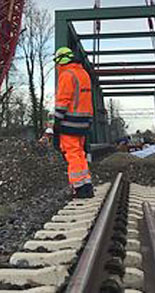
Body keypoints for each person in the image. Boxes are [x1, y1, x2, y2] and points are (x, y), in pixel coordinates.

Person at [53, 47, 94, 198]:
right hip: (83, 122)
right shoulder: (84, 74)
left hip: (69, 122)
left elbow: (63, 101)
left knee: (72, 154)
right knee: (80, 153)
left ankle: (79, 187)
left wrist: (57, 121)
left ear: (60, 61)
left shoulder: (66, 75)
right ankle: (87, 183)